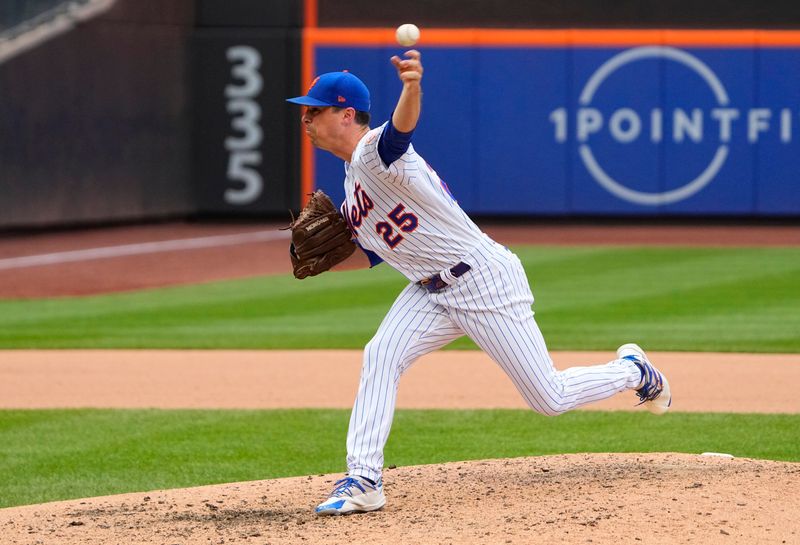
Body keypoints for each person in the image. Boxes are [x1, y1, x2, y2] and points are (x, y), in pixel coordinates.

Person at [286, 50, 671, 516]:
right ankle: (364, 478)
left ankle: (635, 370)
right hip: (429, 292)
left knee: (548, 398)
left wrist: (411, 86)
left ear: (347, 115)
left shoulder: (373, 152)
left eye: (314, 110)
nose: (305, 119)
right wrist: (322, 261)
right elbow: (373, 253)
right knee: (381, 354)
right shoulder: (352, 189)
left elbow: (400, 130)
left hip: (484, 281)